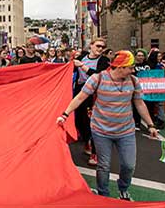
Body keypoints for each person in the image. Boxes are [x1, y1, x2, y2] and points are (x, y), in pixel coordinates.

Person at [57, 51, 159, 201]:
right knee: (103, 166)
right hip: (101, 131)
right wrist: (65, 114)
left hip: (126, 131)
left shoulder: (134, 81)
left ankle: (123, 189)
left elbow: (139, 103)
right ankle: (103, 195)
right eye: (130, 67)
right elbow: (80, 97)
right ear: (121, 67)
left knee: (128, 165)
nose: (133, 70)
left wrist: (150, 125)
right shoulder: (97, 78)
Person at [73, 38, 111, 166]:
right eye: (98, 46)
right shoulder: (83, 56)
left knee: (93, 121)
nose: (100, 49)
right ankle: (87, 139)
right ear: (91, 45)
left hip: (95, 93)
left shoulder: (104, 61)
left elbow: (98, 74)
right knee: (79, 119)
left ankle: (95, 152)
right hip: (80, 90)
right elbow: (73, 70)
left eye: (102, 47)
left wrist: (82, 67)